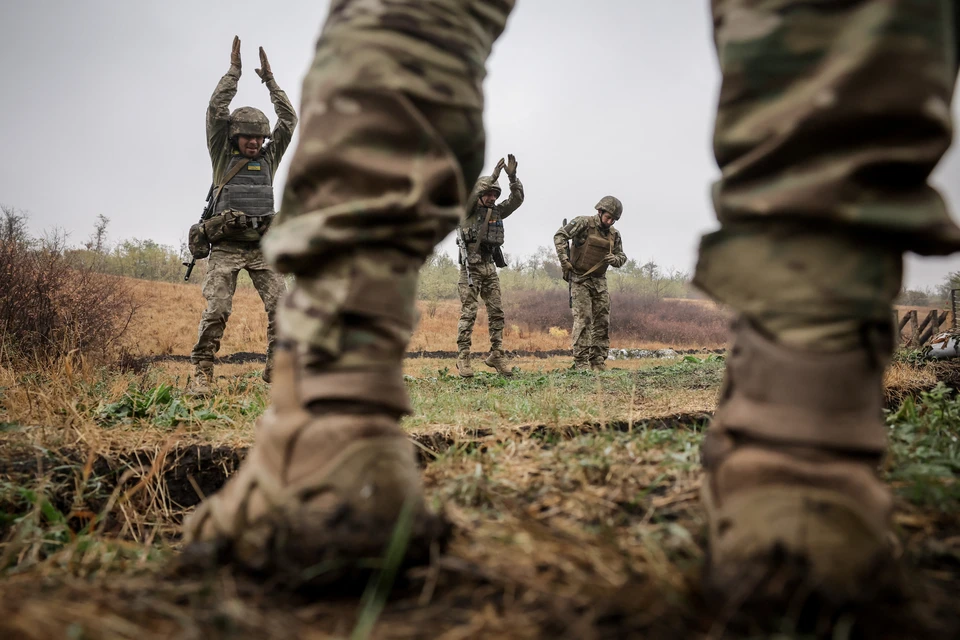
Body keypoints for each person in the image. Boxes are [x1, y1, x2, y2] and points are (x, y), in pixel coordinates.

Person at [183, 1, 960, 609]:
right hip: (255, 245)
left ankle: (329, 428)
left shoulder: (544, 219)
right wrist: (236, 83)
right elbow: (490, 219)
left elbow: (506, 201)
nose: (252, 145)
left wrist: (520, 187)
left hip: (403, 258)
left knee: (415, 16)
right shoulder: (496, 215)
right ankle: (808, 447)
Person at [187, 36, 298, 396]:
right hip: (226, 248)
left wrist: (270, 81)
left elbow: (289, 119)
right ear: (234, 136)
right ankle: (202, 372)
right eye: (247, 137)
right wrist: (233, 73)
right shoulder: (222, 155)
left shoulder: (268, 158)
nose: (254, 142)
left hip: (263, 247)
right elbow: (215, 110)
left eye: (259, 137)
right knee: (217, 310)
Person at [455, 156, 524, 377]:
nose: (492, 197)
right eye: (488, 193)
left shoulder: (497, 211)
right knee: (469, 313)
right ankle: (463, 358)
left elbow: (517, 199)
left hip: (489, 267)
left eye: (495, 194)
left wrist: (512, 177)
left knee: (497, 313)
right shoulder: (467, 210)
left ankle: (496, 354)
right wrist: (493, 177)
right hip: (471, 269)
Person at [554, 196, 627, 371]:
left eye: (613, 219)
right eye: (608, 217)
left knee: (602, 321)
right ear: (600, 211)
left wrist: (615, 259)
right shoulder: (583, 223)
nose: (609, 222)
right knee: (584, 319)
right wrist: (564, 259)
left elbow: (622, 256)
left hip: (599, 282)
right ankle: (581, 362)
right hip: (580, 279)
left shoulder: (614, 234)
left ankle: (598, 361)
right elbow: (560, 235)